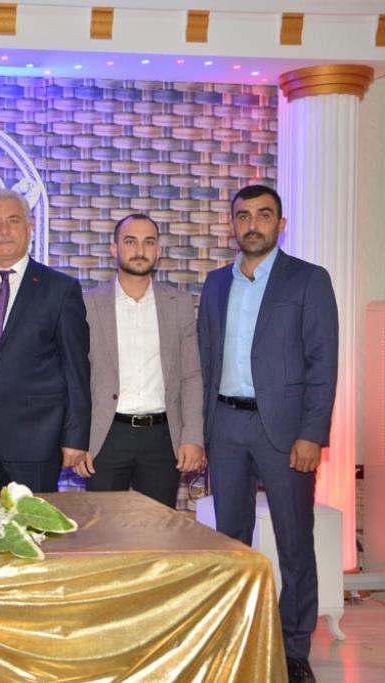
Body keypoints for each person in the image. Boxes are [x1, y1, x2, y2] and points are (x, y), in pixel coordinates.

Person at [198, 184, 337, 683]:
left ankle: (294, 647)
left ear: (281, 224)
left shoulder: (308, 280)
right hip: (226, 427)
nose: (252, 224)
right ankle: (237, 636)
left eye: (263, 215)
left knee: (295, 541)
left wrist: (312, 433)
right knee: (230, 541)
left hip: (286, 431)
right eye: (243, 216)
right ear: (231, 225)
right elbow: (206, 359)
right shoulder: (216, 283)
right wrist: (203, 430)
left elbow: (323, 363)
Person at [0, 189, 90, 492]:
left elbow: (76, 369)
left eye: (13, 220)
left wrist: (75, 437)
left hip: (37, 442)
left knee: (34, 522)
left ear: (29, 227)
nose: (4, 230)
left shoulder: (60, 289)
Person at [74, 214, 205, 507]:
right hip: (105, 436)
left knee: (159, 529)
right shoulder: (87, 305)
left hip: (162, 438)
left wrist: (193, 436)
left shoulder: (179, 304)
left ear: (158, 251)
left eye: (149, 242)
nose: (140, 250)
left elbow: (191, 375)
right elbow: (76, 378)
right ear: (114, 248)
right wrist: (76, 440)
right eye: (130, 241)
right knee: (103, 527)